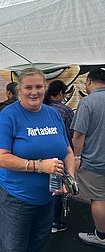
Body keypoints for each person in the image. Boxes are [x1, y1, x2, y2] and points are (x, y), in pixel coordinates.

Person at [0, 68, 75, 252]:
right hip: (17, 198)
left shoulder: (53, 114)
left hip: (48, 197)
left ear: (45, 88)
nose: (34, 91)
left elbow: (68, 151)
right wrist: (39, 166)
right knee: (14, 248)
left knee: (39, 244)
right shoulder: (8, 116)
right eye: (28, 87)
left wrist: (69, 179)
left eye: (38, 86)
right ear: (19, 90)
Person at [71, 67, 105, 248]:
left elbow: (78, 135)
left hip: (95, 161)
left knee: (98, 198)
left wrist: (76, 157)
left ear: (89, 82)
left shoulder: (88, 102)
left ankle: (101, 235)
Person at [44, 79, 75, 233]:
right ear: (61, 93)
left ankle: (44, 219)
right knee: (56, 187)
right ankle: (55, 222)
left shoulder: (43, 107)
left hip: (41, 154)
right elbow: (70, 134)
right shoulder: (66, 111)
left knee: (42, 184)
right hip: (59, 153)